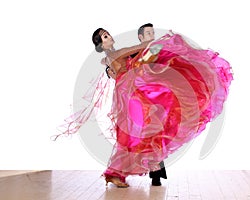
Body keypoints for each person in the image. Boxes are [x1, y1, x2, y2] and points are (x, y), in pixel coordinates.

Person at [58, 27, 233, 188]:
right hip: (129, 91)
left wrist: (154, 50)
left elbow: (138, 56)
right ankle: (122, 172)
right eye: (105, 36)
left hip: (131, 89)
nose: (109, 36)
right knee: (136, 131)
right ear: (100, 44)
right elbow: (136, 49)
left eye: (108, 34)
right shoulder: (112, 55)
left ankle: (137, 169)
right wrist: (156, 42)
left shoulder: (112, 57)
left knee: (140, 129)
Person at [137, 23, 167, 186]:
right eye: (148, 33)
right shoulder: (135, 52)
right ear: (140, 37)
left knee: (157, 135)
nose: (152, 35)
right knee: (148, 136)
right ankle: (155, 172)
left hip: (158, 98)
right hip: (142, 100)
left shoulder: (157, 49)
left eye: (153, 32)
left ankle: (156, 173)